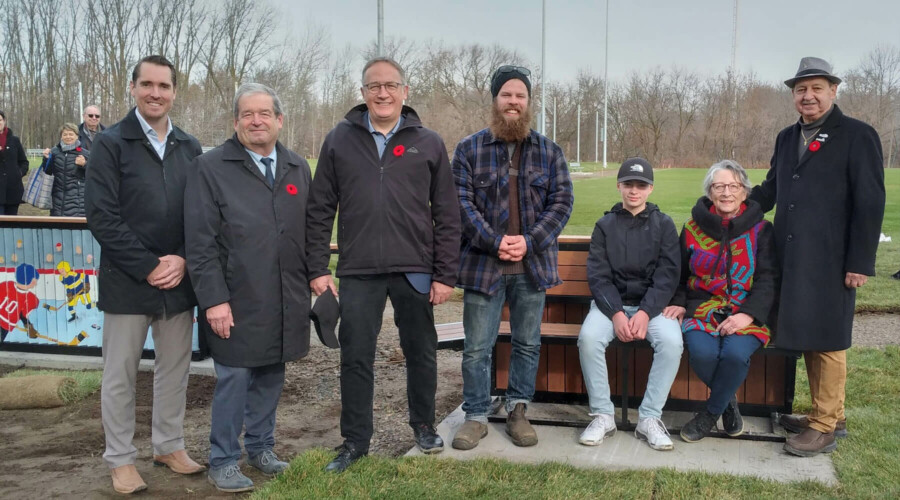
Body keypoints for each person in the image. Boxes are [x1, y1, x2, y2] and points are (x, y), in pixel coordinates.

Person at [306, 57, 461, 472]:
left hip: (414, 268)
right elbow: (320, 208)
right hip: (358, 270)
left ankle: (424, 425)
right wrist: (318, 268)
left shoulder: (427, 142)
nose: (383, 93)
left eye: (391, 85)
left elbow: (447, 213)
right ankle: (355, 441)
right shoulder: (339, 140)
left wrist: (445, 273)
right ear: (363, 93)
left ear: (404, 92)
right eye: (374, 86)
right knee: (356, 356)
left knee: (420, 351)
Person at [750, 56, 885, 457]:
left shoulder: (858, 135)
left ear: (833, 91)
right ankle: (831, 413)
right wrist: (736, 205)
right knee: (810, 334)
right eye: (800, 90)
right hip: (794, 256)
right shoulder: (786, 137)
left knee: (828, 338)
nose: (808, 96)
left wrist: (860, 260)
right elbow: (772, 189)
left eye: (816, 89)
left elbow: (870, 201)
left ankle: (824, 426)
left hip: (833, 257)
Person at [84, 55, 204, 495]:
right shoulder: (111, 143)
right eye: (147, 84)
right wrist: (148, 265)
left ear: (174, 91)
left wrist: (184, 259)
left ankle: (168, 445)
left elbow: (203, 214)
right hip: (128, 280)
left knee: (175, 370)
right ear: (133, 87)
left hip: (178, 280)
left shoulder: (189, 147)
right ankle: (119, 459)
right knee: (120, 374)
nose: (156, 93)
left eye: (164, 86)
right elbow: (102, 216)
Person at [185, 83, 311, 492]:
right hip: (235, 298)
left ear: (279, 120)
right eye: (247, 114)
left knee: (271, 374)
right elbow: (200, 242)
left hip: (283, 296)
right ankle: (223, 458)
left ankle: (261, 448)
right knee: (234, 379)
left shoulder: (295, 167)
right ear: (236, 121)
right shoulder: (211, 167)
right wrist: (214, 301)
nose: (256, 121)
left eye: (264, 113)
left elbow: (307, 233)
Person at [451, 65, 574, 450]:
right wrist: (494, 240)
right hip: (483, 267)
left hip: (531, 268)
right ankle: (474, 415)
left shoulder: (549, 151)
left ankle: (518, 409)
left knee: (526, 344)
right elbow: (460, 204)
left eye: (520, 96)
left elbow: (562, 202)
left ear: (528, 102)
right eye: (506, 95)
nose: (513, 102)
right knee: (476, 347)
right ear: (495, 100)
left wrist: (530, 240)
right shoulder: (469, 149)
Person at [663, 160, 777, 443]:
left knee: (735, 355)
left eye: (733, 186)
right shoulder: (691, 228)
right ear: (710, 192)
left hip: (746, 311)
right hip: (701, 309)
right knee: (703, 354)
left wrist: (747, 315)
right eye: (719, 186)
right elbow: (679, 273)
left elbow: (768, 278)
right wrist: (678, 301)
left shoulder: (762, 229)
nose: (726, 192)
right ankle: (728, 404)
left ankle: (708, 415)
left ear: (745, 192)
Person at [577, 157, 682, 451]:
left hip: (653, 307)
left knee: (672, 343)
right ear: (619, 185)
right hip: (611, 306)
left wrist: (647, 312)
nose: (634, 191)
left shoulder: (664, 224)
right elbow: (598, 275)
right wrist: (617, 314)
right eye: (628, 184)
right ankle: (603, 415)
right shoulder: (605, 225)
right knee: (588, 338)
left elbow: (667, 275)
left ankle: (649, 418)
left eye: (641, 185)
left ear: (650, 189)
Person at [40, 123, 90, 216]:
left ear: (77, 136)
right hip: (58, 201)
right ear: (61, 136)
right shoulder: (54, 152)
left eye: (71, 134)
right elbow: (47, 172)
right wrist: (46, 159)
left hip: (78, 202)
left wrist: (84, 165)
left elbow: (94, 175)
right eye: (65, 134)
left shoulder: (85, 154)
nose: (68, 137)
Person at [0, 110, 30, 215]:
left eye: (0, 120)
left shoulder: (14, 140)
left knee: (11, 225)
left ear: (4, 121)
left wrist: (19, 173)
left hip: (12, 190)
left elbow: (24, 162)